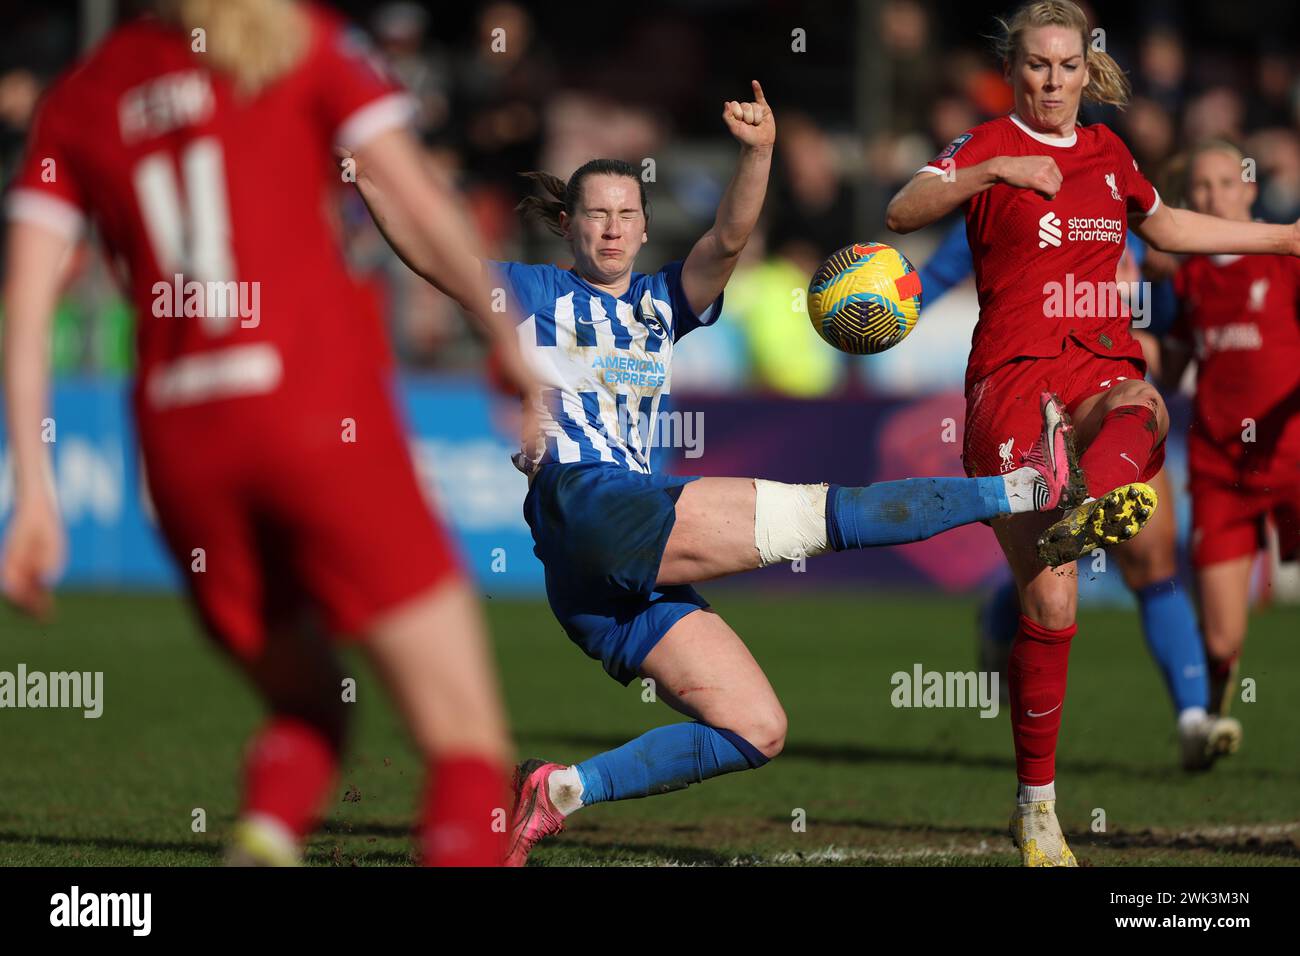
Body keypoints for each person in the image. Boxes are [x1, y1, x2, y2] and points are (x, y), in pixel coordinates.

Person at [352, 79, 1139, 867]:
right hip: (586, 501)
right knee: (822, 516)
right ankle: (1026, 487)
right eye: (597, 213)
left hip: (605, 565)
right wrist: (364, 173)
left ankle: (557, 791)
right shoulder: (530, 291)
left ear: (645, 223)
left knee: (754, 727)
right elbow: (429, 252)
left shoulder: (663, 300)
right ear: (568, 224)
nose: (614, 228)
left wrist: (757, 152)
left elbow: (727, 243)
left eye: (628, 214)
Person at [1, 0, 531, 866]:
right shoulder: (297, 41)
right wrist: (503, 331)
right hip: (317, 416)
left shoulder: (81, 95)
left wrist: (33, 494)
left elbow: (24, 305)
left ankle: (266, 833)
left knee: (309, 708)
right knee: (468, 746)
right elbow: (414, 191)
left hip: (180, 449)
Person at [885, 0, 1300, 865]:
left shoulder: (1110, 154)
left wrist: (1282, 238)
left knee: (1143, 405)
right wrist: (988, 173)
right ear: (1015, 68)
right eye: (1037, 64)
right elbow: (903, 208)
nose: (1052, 80)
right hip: (1009, 380)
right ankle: (1036, 808)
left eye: (1067, 65)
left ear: (1086, 69)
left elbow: (1166, 225)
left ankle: (1090, 498)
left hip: (1097, 361)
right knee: (1056, 602)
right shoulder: (986, 139)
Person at [919, 219, 1237, 771]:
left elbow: (1175, 300)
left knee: (1150, 561)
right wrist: (878, 313)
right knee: (1047, 570)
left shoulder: (1124, 208)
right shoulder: (997, 196)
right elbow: (935, 276)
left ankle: (1193, 720)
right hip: (1030, 404)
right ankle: (1000, 622)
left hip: (1108, 401)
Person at [1160, 139, 1300, 733]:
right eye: (1200, 187)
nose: (1212, 196)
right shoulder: (1184, 275)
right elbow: (1173, 367)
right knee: (1221, 638)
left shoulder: (1286, 257)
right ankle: (1211, 717)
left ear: (1248, 188)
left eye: (1224, 183)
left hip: (1293, 455)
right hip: (1222, 467)